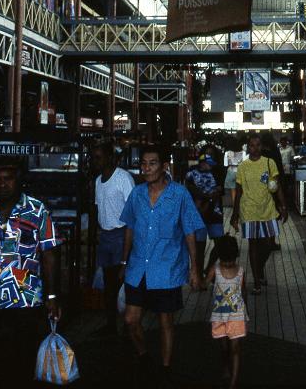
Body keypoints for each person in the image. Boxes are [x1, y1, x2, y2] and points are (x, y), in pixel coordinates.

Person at [0, 158, 62, 389]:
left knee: (21, 358)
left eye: (8, 179)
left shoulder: (37, 210)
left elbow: (50, 255)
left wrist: (52, 297)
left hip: (25, 299)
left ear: (19, 181)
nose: (2, 184)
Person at [119, 145, 203, 386]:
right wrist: (124, 262)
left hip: (166, 269)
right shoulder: (136, 194)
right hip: (137, 268)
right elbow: (130, 227)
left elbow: (189, 232)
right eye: (143, 164)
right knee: (130, 320)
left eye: (152, 163)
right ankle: (144, 356)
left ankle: (165, 367)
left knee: (166, 321)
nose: (146, 168)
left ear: (164, 166)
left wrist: (194, 269)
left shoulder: (179, 195)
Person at [231, 133, 288, 295]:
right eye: (251, 145)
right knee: (253, 245)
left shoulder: (269, 163)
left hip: (268, 209)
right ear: (247, 147)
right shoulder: (243, 166)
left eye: (257, 145)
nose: (254, 148)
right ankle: (256, 280)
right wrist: (234, 215)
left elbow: (277, 186)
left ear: (262, 146)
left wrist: (283, 206)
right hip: (248, 210)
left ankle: (259, 267)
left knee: (270, 244)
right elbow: (239, 191)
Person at [92, 140, 135, 336]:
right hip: (106, 236)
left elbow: (133, 213)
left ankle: (128, 327)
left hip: (121, 235)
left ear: (110, 157)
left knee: (121, 284)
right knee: (109, 285)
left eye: (99, 157)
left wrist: (128, 250)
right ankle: (111, 326)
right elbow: (98, 208)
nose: (95, 161)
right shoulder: (98, 181)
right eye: (94, 157)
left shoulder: (123, 178)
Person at [206, 235, 248, 389]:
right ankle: (226, 369)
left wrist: (245, 312)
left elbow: (243, 292)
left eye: (231, 261)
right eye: (225, 261)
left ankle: (233, 382)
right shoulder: (215, 270)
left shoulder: (241, 271)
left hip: (236, 316)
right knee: (225, 348)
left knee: (235, 348)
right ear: (220, 258)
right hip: (219, 316)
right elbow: (204, 284)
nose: (229, 264)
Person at [185, 153, 224, 279]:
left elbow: (220, 190)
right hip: (198, 215)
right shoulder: (191, 174)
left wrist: (210, 197)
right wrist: (208, 196)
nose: (211, 167)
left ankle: (208, 269)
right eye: (209, 164)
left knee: (220, 244)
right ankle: (199, 275)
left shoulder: (216, 172)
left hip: (215, 213)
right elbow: (190, 190)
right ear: (201, 163)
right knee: (199, 247)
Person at [224, 137, 245, 206]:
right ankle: (239, 207)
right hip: (240, 172)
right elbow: (245, 164)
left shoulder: (227, 153)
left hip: (230, 172)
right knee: (240, 191)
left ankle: (234, 206)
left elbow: (225, 164)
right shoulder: (243, 153)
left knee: (232, 191)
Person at [279, 136, 296, 203]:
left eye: (284, 141)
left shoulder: (290, 148)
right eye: (282, 142)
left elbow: (293, 158)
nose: (283, 143)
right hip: (282, 169)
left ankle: (290, 198)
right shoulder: (279, 149)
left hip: (289, 168)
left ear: (286, 142)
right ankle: (284, 198)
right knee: (283, 184)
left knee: (289, 184)